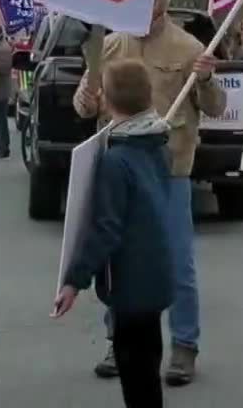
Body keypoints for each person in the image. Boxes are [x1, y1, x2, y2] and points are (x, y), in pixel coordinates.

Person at [73, 0, 226, 386]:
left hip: (169, 172)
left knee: (176, 261)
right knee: (119, 262)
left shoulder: (190, 48)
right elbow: (84, 106)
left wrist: (209, 79)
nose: (144, 4)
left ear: (164, 0)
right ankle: (117, 339)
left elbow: (214, 107)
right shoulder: (109, 46)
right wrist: (86, 99)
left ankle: (183, 346)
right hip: (119, 169)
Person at [53, 58, 175, 408]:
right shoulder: (156, 144)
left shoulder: (116, 160)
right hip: (155, 273)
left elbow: (106, 229)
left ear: (107, 99)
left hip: (130, 282)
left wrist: (74, 280)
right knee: (148, 364)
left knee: (134, 371)